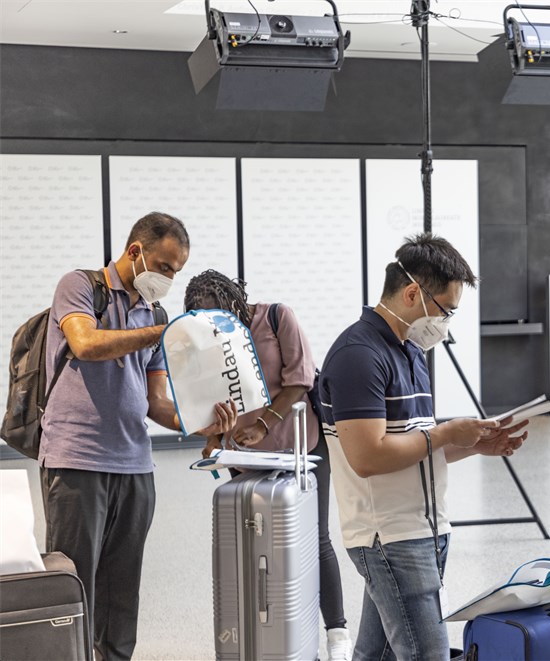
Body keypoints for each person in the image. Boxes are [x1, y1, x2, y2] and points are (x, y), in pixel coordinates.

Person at [318, 233, 529, 660]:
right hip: (390, 537)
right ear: (413, 292)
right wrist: (448, 433)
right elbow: (368, 456)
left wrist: (473, 446)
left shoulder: (411, 351)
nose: (445, 323)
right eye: (445, 310)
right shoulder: (358, 355)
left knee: (376, 655)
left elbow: (416, 443)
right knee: (425, 653)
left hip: (426, 528)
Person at [39, 212, 237, 661]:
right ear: (136, 252)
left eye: (176, 271)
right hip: (77, 459)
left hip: (135, 465)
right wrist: (162, 333)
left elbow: (155, 403)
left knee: (121, 591)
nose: (169, 278)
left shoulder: (156, 311)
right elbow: (86, 344)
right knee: (74, 584)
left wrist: (199, 423)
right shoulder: (81, 286)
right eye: (165, 267)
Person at [183, 269, 352, 661]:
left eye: (221, 317)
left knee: (315, 538)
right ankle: (271, 629)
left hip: (300, 444)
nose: (215, 327)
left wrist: (262, 424)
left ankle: (338, 634)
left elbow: (300, 380)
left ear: (235, 303)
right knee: (258, 541)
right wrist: (213, 438)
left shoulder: (277, 317)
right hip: (244, 455)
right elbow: (204, 399)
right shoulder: (205, 338)